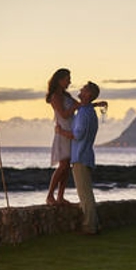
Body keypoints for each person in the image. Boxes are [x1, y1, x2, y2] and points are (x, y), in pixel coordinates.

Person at [56, 81, 107, 234]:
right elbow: (86, 106)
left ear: (88, 94)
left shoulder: (85, 114)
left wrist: (60, 132)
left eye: (83, 89)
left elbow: (77, 135)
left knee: (85, 195)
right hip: (84, 156)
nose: (80, 90)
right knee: (86, 193)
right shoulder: (88, 111)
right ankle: (94, 225)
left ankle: (89, 227)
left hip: (80, 157)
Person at [46, 68, 80, 206]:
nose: (69, 81)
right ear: (60, 80)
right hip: (62, 133)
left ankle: (60, 196)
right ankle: (49, 196)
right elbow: (64, 114)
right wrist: (76, 106)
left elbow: (80, 106)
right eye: (67, 78)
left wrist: (95, 104)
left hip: (69, 132)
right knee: (63, 165)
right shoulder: (55, 96)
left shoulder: (66, 96)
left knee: (67, 167)